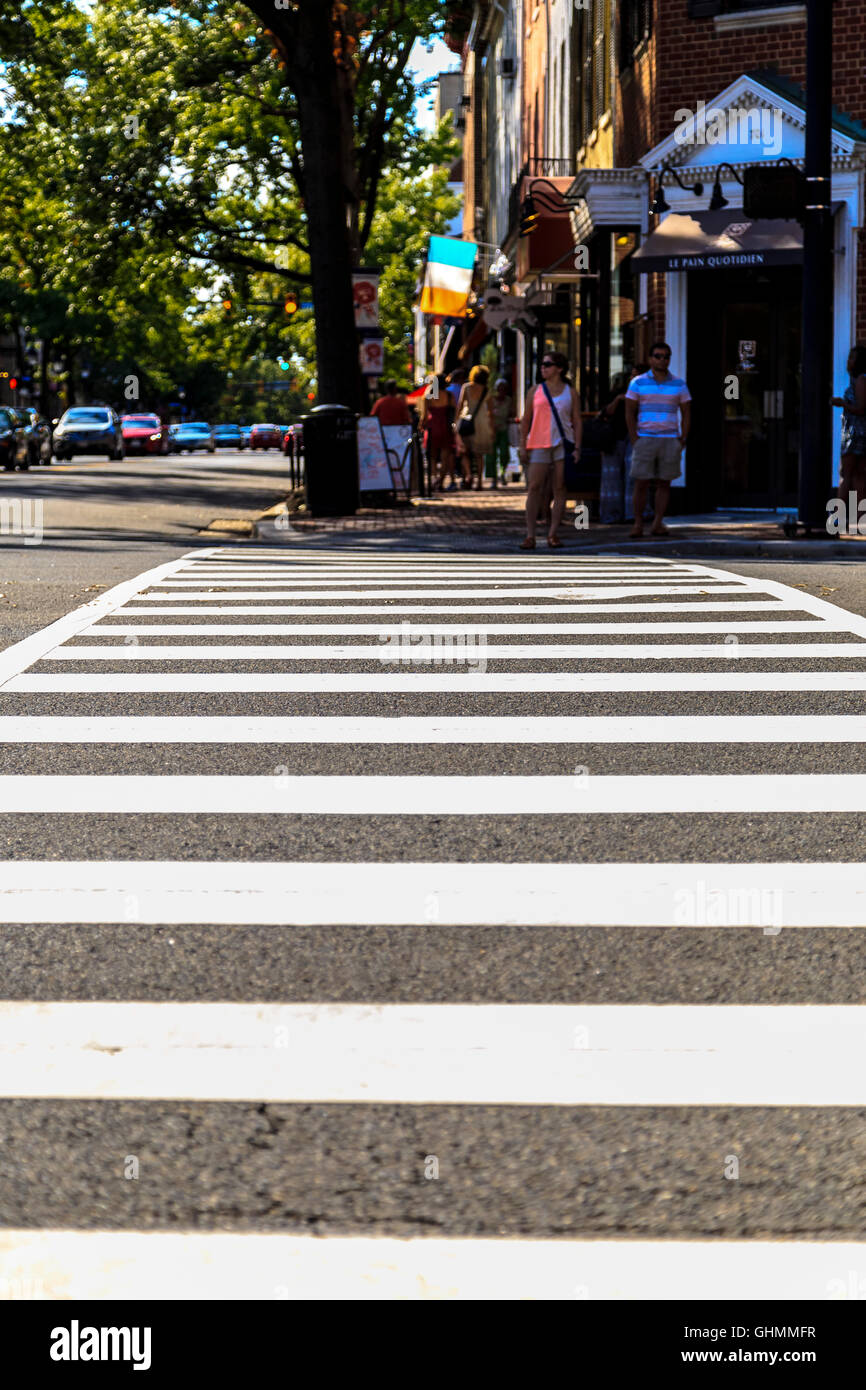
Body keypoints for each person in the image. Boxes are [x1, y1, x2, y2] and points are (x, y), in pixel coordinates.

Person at [625, 342, 691, 538]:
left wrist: (682, 438)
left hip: (670, 438)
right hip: (645, 438)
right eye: (658, 356)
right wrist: (634, 437)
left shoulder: (679, 384)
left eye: (666, 356)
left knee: (664, 482)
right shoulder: (638, 382)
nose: (662, 360)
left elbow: (687, 412)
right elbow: (629, 411)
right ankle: (638, 523)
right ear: (650, 358)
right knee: (641, 482)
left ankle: (657, 522)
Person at [517, 350, 582, 549]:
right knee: (534, 487)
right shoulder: (535, 390)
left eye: (548, 364)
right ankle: (530, 535)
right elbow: (526, 419)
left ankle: (553, 533)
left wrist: (578, 447)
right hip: (538, 443)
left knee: (560, 488)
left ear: (559, 369)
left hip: (562, 443)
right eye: (542, 364)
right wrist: (522, 445)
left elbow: (577, 421)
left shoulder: (570, 392)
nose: (543, 368)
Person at [832, 344, 866, 507]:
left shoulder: (860, 380)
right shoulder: (859, 380)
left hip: (855, 434)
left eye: (852, 357)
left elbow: (861, 408)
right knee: (859, 476)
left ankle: (836, 518)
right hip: (859, 433)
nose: (848, 361)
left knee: (846, 474)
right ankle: (860, 519)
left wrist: (842, 403)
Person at [455, 364, 494, 490]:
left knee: (464, 451)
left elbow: (460, 405)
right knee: (479, 454)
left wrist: (455, 421)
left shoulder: (466, 387)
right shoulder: (487, 390)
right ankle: (480, 482)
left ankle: (469, 475)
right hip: (482, 423)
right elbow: (491, 411)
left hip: (467, 420)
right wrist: (492, 427)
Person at [418, 373, 456, 490]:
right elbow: (454, 412)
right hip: (445, 426)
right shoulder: (449, 396)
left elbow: (424, 415)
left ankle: (434, 478)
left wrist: (420, 425)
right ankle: (441, 481)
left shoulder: (429, 395)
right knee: (445, 456)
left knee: (432, 456)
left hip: (432, 426)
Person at [489, 377, 512, 487]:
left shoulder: (509, 400)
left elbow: (511, 413)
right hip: (492, 430)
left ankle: (502, 473)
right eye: (499, 388)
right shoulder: (491, 400)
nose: (501, 391)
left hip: (503, 429)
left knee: (504, 454)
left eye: (504, 389)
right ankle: (493, 479)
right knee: (491, 456)